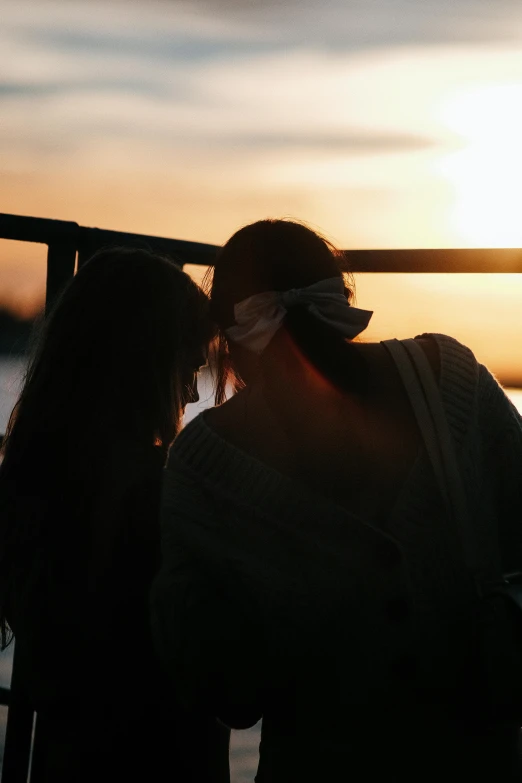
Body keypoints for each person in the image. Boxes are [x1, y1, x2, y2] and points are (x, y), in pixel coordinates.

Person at [150, 218, 522, 782]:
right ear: (343, 299)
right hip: (479, 759)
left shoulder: (204, 463)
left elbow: (227, 691)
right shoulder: (453, 376)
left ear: (232, 340)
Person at [0, 247, 230, 782]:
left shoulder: (34, 477)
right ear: (147, 362)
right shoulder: (162, 498)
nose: (194, 391)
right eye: (190, 367)